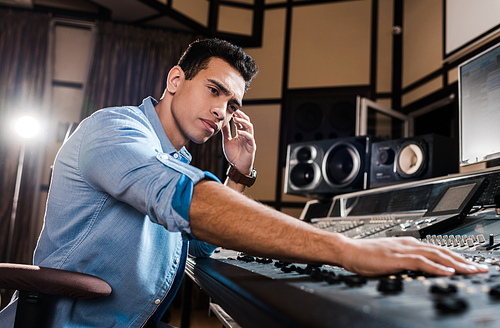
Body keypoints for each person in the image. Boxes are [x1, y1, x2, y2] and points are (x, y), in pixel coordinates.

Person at [0, 38, 488, 328]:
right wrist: (344, 249)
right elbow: (185, 200)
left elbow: (204, 240)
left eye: (233, 104)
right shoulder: (113, 130)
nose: (222, 111)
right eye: (214, 91)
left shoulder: (177, 159)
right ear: (175, 80)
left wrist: (237, 175)